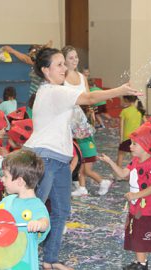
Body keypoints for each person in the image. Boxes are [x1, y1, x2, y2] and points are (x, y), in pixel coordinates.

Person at [23, 47, 141, 270]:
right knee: (32, 211)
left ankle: (50, 260)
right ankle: (21, 259)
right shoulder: (52, 91)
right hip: (44, 158)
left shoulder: (57, 91)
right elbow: (90, 97)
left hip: (59, 160)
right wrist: (120, 90)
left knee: (60, 212)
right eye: (59, 64)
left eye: (63, 64)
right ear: (45, 70)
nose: (64, 68)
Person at [99, 125, 151, 270]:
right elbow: (122, 174)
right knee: (135, 234)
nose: (131, 146)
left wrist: (135, 195)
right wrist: (110, 161)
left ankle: (142, 264)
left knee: (141, 235)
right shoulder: (135, 161)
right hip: (135, 206)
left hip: (146, 208)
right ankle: (139, 261)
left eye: (135, 144)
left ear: (146, 146)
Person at [62, 46, 112, 197]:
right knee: (69, 153)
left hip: (80, 119)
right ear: (64, 60)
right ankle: (77, 182)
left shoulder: (82, 78)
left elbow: (89, 97)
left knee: (81, 152)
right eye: (71, 57)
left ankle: (80, 184)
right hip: (65, 118)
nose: (75, 60)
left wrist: (90, 112)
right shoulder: (61, 77)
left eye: (76, 57)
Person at [117, 95, 145, 168]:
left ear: (126, 100)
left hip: (126, 137)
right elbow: (147, 123)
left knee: (121, 155)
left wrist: (121, 139)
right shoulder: (140, 111)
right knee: (134, 157)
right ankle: (134, 172)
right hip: (136, 138)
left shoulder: (124, 111)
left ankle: (119, 174)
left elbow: (121, 127)